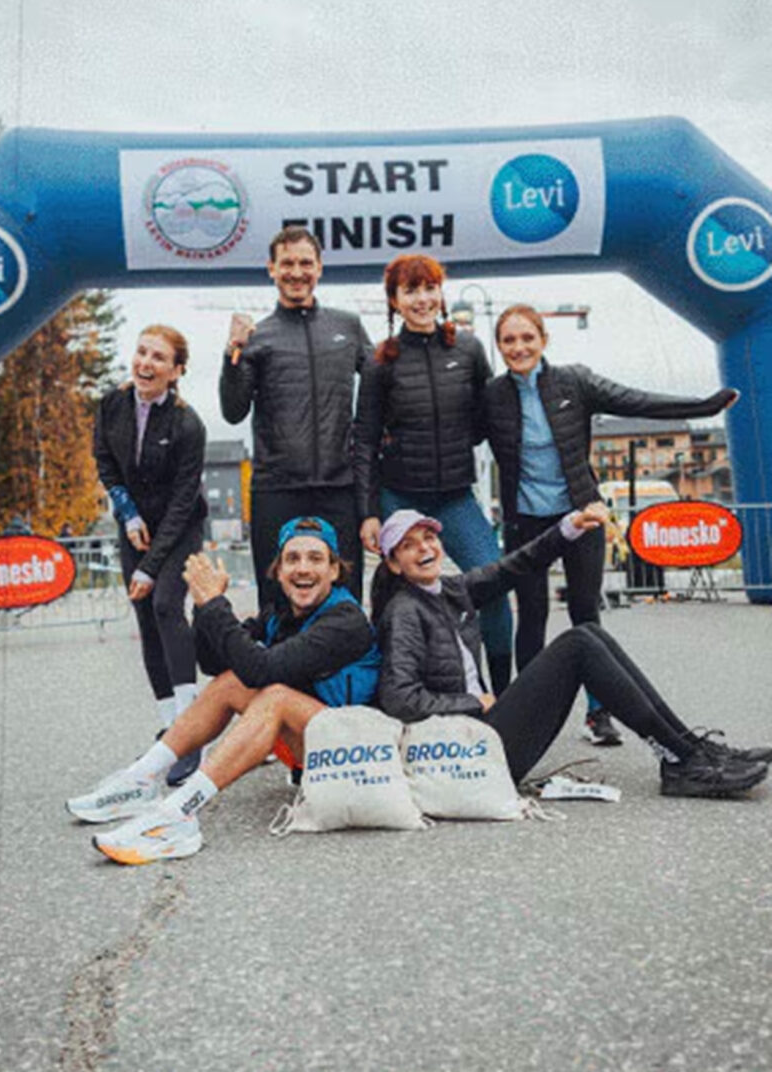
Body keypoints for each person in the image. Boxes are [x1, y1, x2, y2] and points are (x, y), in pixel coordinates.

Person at [373, 508, 770, 798]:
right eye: (408, 546)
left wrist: (568, 529)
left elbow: (516, 565)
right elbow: (399, 697)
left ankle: (689, 749)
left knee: (590, 632)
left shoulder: (451, 589)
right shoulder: (404, 610)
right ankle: (683, 759)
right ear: (393, 564)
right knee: (578, 644)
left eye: (428, 538)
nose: (423, 548)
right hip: (470, 748)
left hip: (483, 728)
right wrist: (473, 701)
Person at [484, 303, 740, 746]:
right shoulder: (492, 395)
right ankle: (523, 719)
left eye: (528, 338)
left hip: (582, 516)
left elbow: (634, 400)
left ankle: (598, 714)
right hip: (526, 522)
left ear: (544, 340)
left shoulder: (574, 381)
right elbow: (448, 429)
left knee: (586, 615)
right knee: (532, 618)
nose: (519, 347)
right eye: (509, 340)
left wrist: (705, 405)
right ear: (499, 347)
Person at [66, 517, 381, 864]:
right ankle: (141, 779)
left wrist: (217, 606)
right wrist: (204, 607)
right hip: (313, 749)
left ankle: (178, 814)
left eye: (315, 559)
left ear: (335, 570)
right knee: (232, 681)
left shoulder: (345, 620)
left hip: (355, 755)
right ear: (277, 570)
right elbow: (215, 664)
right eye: (292, 559)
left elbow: (262, 670)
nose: (303, 568)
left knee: (274, 696)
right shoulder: (278, 613)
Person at [354, 253, 513, 694]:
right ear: (394, 300)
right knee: (397, 599)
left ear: (441, 293)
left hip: (455, 497)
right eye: (411, 291)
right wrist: (369, 512)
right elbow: (364, 440)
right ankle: (397, 692)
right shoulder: (380, 361)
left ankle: (498, 694)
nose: (422, 299)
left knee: (494, 586)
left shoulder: (468, 349)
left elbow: (489, 420)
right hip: (399, 497)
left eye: (429, 288)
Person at [219, 227, 371, 604]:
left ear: (319, 268)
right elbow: (233, 410)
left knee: (345, 597)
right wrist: (231, 354)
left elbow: (382, 386)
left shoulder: (347, 326)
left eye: (306, 263)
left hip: (339, 487)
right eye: (287, 263)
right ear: (271, 269)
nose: (296, 272)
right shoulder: (258, 336)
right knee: (275, 601)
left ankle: (346, 665)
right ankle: (278, 664)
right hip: (277, 489)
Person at [94, 325, 207, 786]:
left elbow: (183, 505)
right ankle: (169, 729)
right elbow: (104, 459)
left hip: (179, 527)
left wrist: (150, 566)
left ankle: (191, 732)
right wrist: (127, 513)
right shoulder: (113, 403)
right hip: (135, 522)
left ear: (176, 371)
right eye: (142, 353)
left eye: (159, 358)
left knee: (164, 604)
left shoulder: (188, 423)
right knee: (145, 615)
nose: (146, 363)